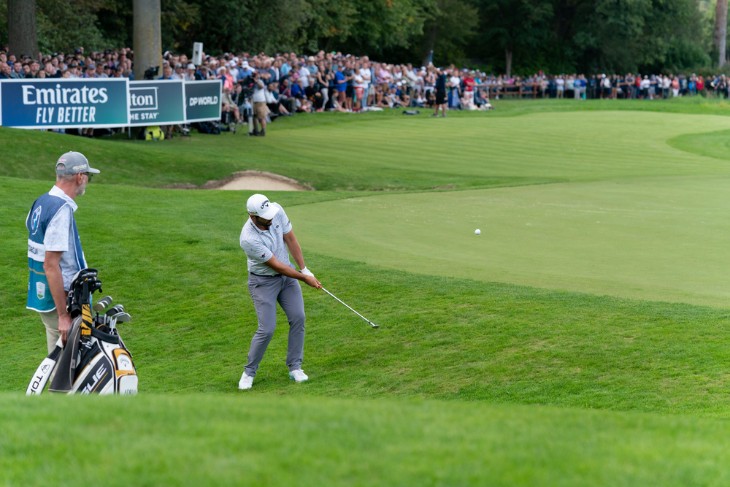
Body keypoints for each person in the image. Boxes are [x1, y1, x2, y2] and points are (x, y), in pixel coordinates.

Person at [238, 193, 322, 390]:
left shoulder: (276, 211)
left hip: (288, 277)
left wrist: (304, 269)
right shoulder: (248, 239)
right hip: (263, 282)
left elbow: (290, 239)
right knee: (267, 329)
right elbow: (277, 266)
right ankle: (249, 372)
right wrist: (304, 279)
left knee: (298, 317)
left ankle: (295, 367)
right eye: (265, 217)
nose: (270, 218)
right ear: (253, 217)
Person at [26, 152, 100, 354]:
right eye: (88, 176)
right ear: (79, 177)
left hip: (42, 295)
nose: (87, 181)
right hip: (63, 299)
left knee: (57, 360)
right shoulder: (61, 210)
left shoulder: (40, 202)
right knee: (68, 368)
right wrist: (63, 315)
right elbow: (50, 265)